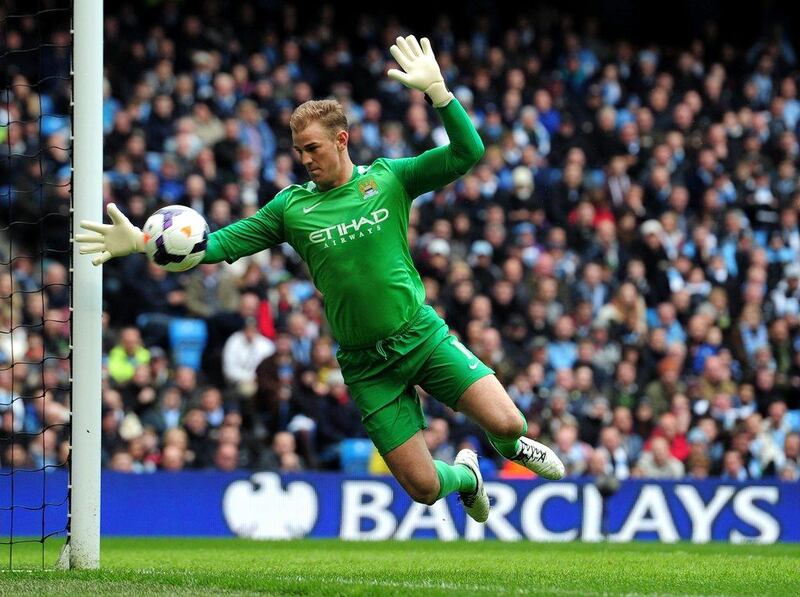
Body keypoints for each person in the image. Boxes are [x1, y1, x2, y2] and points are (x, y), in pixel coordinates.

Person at [75, 35, 565, 523]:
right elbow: (220, 245)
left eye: (312, 148)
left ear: (341, 140)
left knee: (508, 421)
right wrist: (143, 242)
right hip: (364, 364)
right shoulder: (291, 208)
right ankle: (468, 478)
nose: (305, 158)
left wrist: (439, 93)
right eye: (297, 151)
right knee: (423, 488)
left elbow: (468, 153)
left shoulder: (388, 178)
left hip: (420, 335)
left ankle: (510, 446)